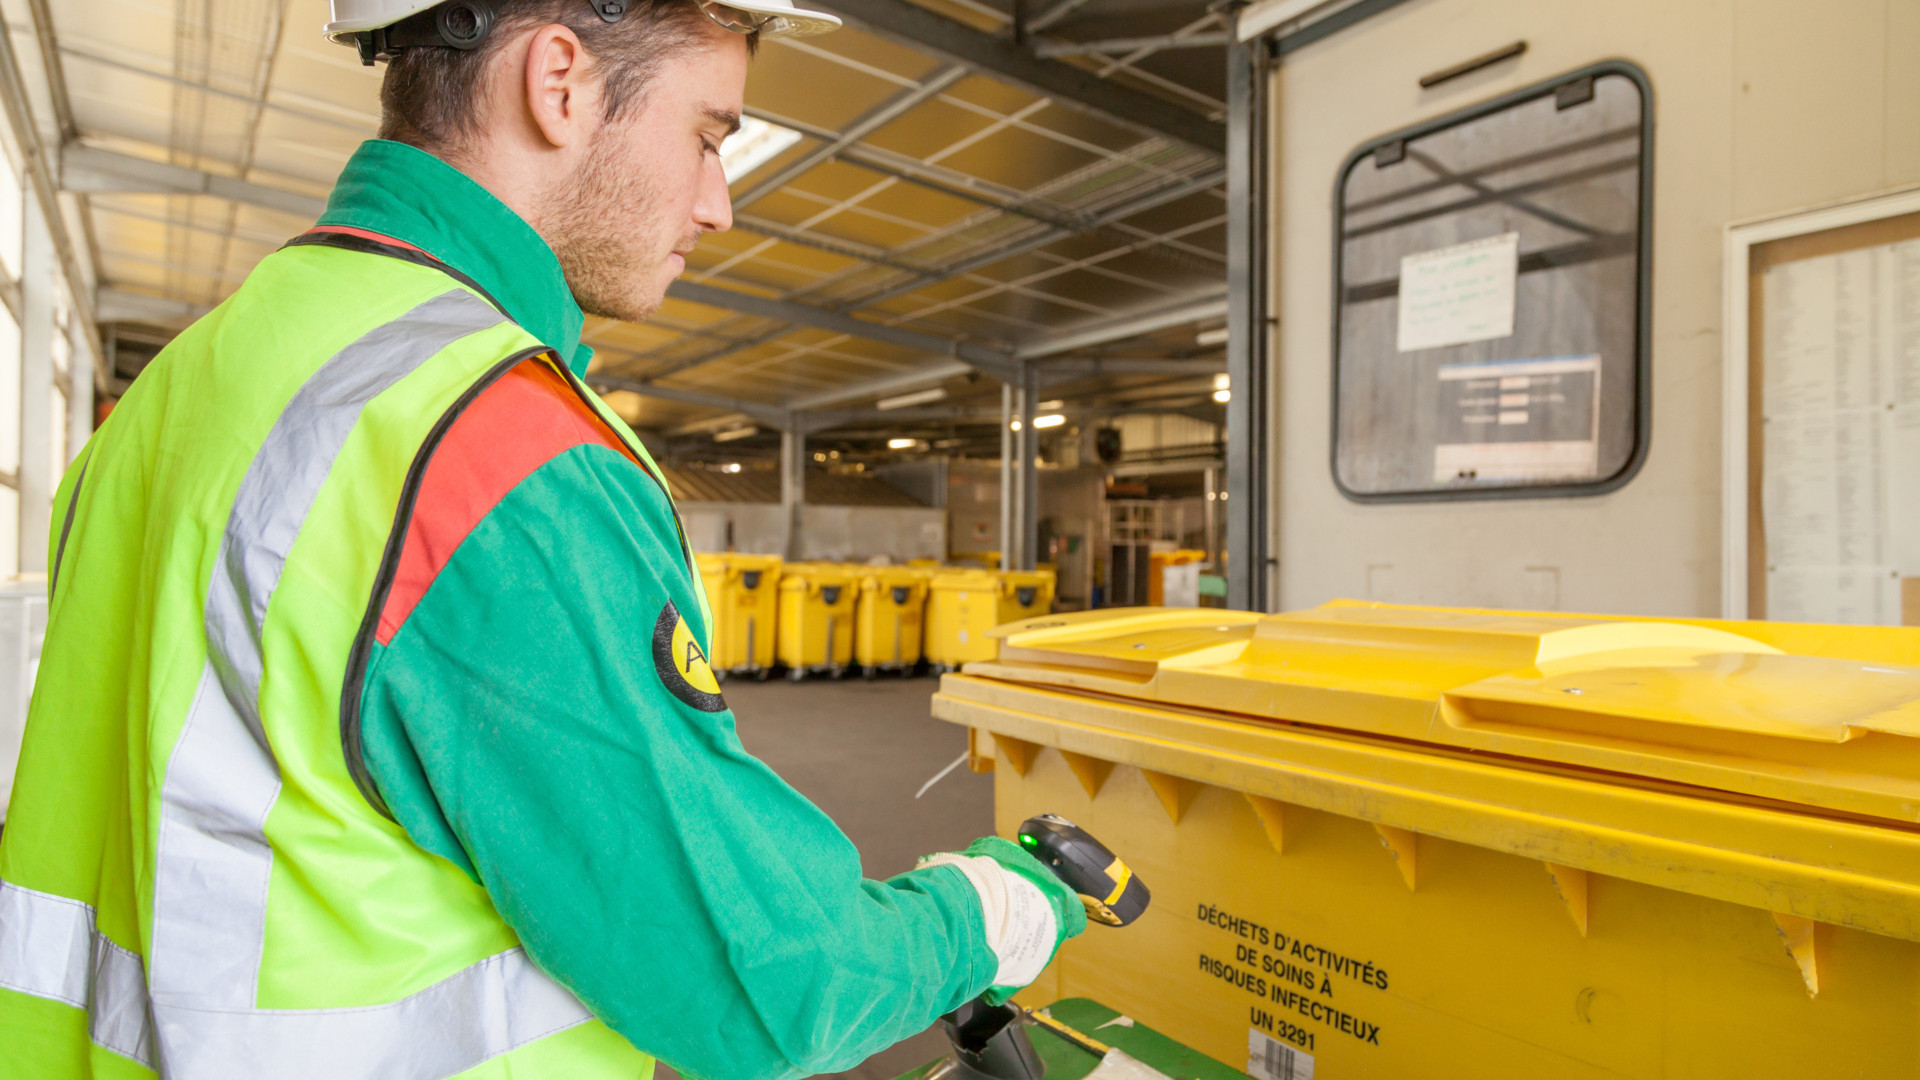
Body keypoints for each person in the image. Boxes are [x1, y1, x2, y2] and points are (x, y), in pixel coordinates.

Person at [0, 2, 1085, 1077]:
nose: (720, 205)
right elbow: (769, 979)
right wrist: (994, 907)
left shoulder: (178, 390)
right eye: (710, 137)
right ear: (557, 81)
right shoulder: (491, 449)